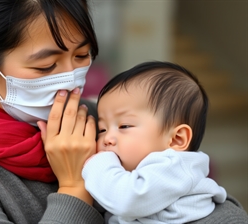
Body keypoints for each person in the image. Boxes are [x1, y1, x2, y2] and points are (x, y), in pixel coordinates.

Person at [0, 0, 104, 223]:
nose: (71, 79)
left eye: (81, 55)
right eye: (46, 66)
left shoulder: (106, 120)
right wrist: (74, 188)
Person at [81, 61, 248, 224]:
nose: (107, 139)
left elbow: (127, 200)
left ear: (177, 139)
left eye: (124, 126)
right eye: (102, 129)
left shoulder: (173, 166)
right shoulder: (130, 174)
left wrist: (96, 163)